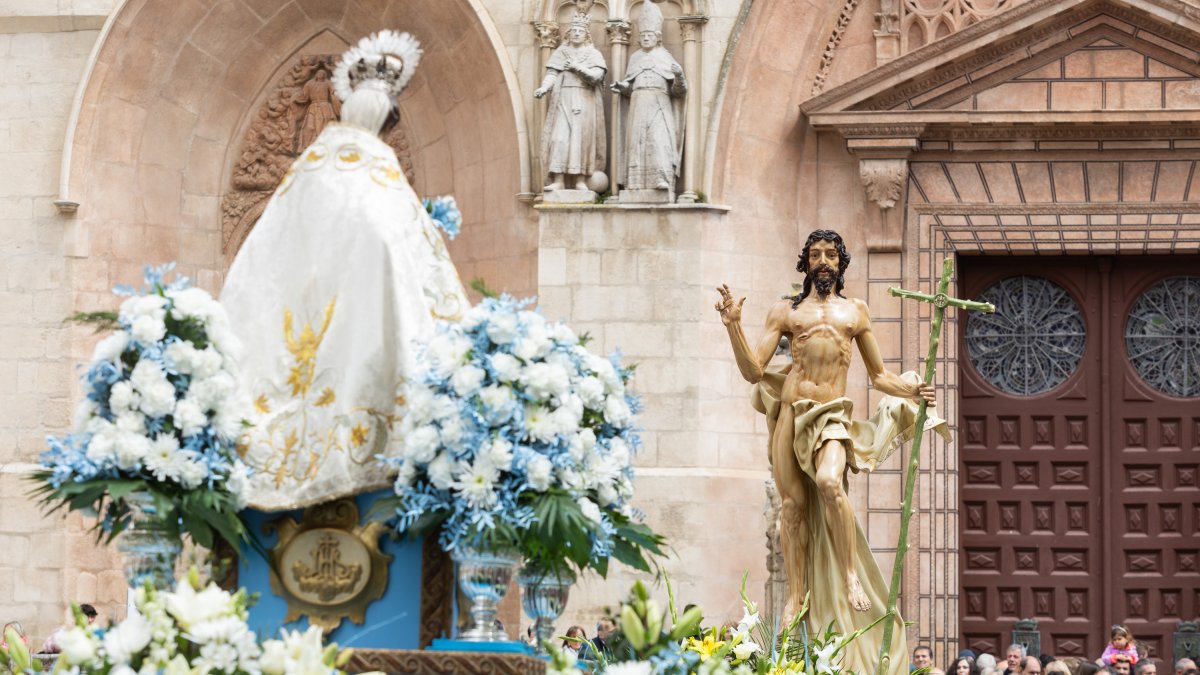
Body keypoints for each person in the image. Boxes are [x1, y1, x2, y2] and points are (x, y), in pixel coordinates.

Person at [222, 30, 469, 511]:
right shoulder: (384, 187)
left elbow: (262, 270)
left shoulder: (307, 177)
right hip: (364, 347)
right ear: (386, 119)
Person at [716, 229, 944, 675]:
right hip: (790, 413)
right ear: (805, 263)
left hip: (831, 414)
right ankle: (797, 595)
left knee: (828, 483)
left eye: (831, 254)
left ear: (841, 262)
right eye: (816, 254)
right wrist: (733, 328)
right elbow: (754, 371)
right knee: (792, 507)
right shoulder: (786, 312)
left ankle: (850, 575)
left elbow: (878, 376)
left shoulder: (854, 312)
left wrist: (914, 390)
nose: (824, 261)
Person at [612, 0, 686, 196]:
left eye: (649, 35)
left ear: (658, 37)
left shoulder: (666, 58)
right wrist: (623, 87)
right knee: (637, 142)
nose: (645, 38)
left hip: (659, 104)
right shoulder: (634, 58)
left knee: (659, 140)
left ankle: (661, 178)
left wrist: (679, 76)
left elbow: (679, 92)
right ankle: (634, 184)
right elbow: (630, 86)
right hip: (638, 104)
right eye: (643, 35)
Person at [533, 13, 606, 193]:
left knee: (581, 140)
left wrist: (577, 67)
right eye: (573, 30)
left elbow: (597, 76)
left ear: (586, 34)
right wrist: (544, 88)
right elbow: (552, 73)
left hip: (584, 100)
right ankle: (558, 179)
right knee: (560, 138)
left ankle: (580, 179)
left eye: (580, 30)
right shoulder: (561, 52)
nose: (576, 33)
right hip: (563, 99)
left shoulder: (593, 54)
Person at [294, 67, 340, 151]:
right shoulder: (309, 84)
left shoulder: (328, 83)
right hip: (313, 106)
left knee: (325, 125)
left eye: (322, 74)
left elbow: (333, 93)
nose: (320, 75)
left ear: (325, 76)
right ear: (316, 75)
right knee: (309, 127)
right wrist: (295, 98)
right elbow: (304, 96)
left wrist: (336, 99)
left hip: (325, 106)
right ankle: (307, 146)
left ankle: (326, 144)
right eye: (319, 73)